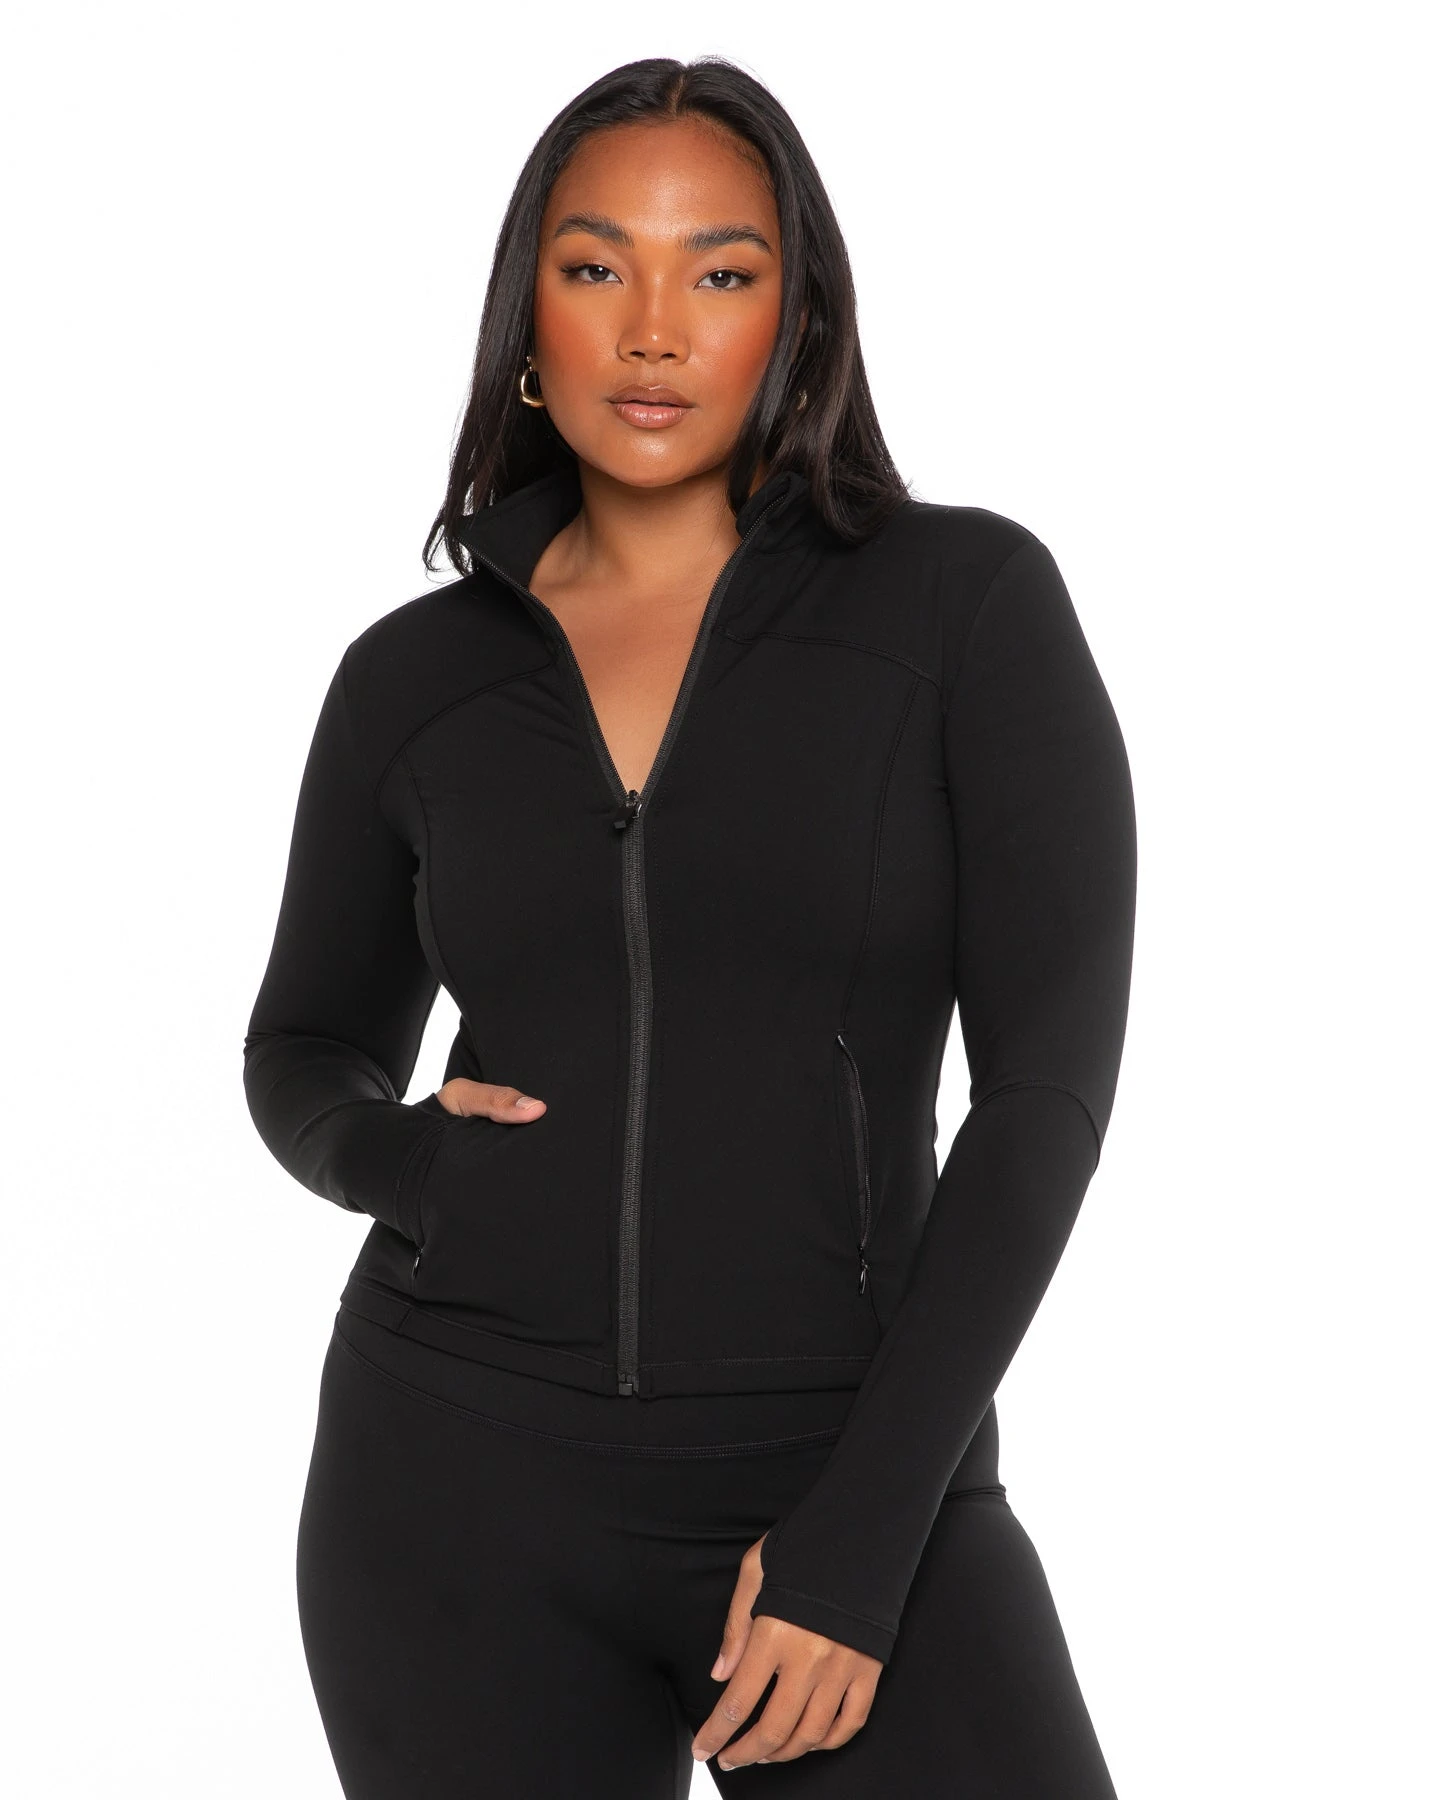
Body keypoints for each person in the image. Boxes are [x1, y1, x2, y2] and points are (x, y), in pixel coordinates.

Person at [243, 53, 1137, 1798]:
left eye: (720, 272)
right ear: (529, 317)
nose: (653, 330)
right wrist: (400, 1159)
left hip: (849, 1470)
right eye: (598, 268)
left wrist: (860, 1545)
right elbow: (304, 1044)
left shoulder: (962, 610)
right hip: (454, 1488)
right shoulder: (411, 679)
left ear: (798, 318)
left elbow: (1045, 1104)